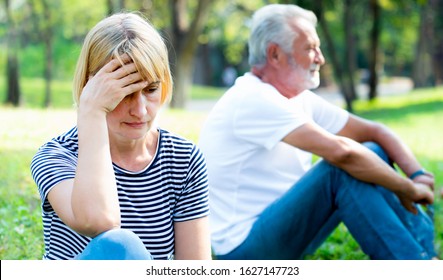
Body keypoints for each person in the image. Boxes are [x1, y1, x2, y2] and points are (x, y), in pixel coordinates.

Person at [198, 4, 437, 260]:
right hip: (245, 250)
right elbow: (343, 155)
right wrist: (407, 188)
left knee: (371, 152)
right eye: (310, 48)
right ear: (275, 54)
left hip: (288, 228)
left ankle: (425, 255)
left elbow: (374, 131)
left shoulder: (295, 97)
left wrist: (418, 174)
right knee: (340, 169)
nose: (320, 58)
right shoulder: (252, 98)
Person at [30, 12, 211, 260]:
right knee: (120, 245)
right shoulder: (56, 156)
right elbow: (100, 222)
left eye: (151, 89)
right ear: (90, 87)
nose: (140, 110)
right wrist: (91, 111)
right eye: (124, 92)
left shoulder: (184, 159)